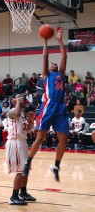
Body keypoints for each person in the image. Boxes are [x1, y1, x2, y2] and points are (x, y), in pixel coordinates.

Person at [23, 28, 69, 182]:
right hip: (49, 106)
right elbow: (45, 56)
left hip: (60, 107)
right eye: (52, 64)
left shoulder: (61, 75)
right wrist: (45, 40)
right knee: (40, 136)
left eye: (55, 64)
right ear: (49, 68)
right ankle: (27, 162)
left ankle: (56, 166)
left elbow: (64, 56)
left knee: (64, 138)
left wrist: (60, 41)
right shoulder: (46, 75)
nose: (54, 64)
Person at [6, 94, 36, 205]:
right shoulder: (11, 111)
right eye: (18, 97)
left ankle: (23, 192)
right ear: (13, 100)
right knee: (20, 170)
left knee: (25, 170)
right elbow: (16, 113)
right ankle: (14, 196)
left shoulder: (22, 114)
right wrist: (17, 102)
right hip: (15, 142)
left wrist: (31, 120)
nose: (21, 98)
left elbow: (27, 129)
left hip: (22, 142)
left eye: (22, 97)